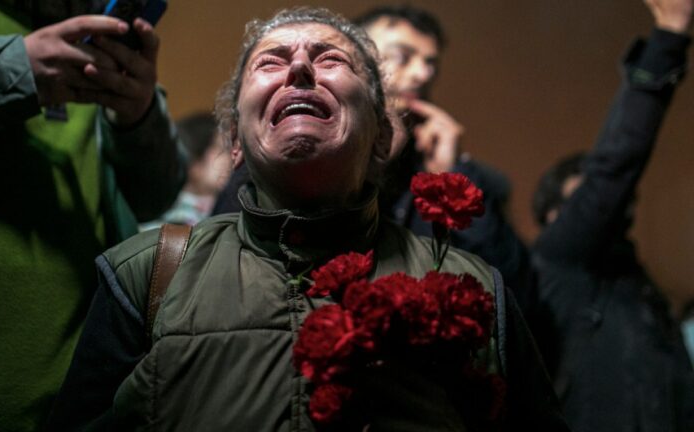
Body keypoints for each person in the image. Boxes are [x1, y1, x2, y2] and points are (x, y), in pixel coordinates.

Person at [49, 7, 568, 431]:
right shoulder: (144, 276)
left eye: (331, 59)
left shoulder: (475, 289)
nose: (299, 68)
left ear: (383, 136)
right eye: (270, 63)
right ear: (235, 142)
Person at [0, 0, 183, 430]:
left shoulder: (95, 30)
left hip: (80, 406)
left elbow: (156, 194)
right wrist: (10, 71)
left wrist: (138, 118)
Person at [213, 5, 529, 292]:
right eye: (403, 57)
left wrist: (450, 179)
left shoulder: (455, 167)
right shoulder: (268, 159)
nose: (423, 75)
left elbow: (510, 292)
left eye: (430, 63)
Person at [528, 0, 694, 430]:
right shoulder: (558, 261)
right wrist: (667, 41)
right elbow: (614, 168)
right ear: (553, 216)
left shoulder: (638, 287)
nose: (609, 209)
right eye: (585, 204)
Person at [139, 112, 231, 230]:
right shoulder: (160, 221)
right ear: (195, 161)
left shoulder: (224, 208)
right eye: (222, 148)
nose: (231, 157)